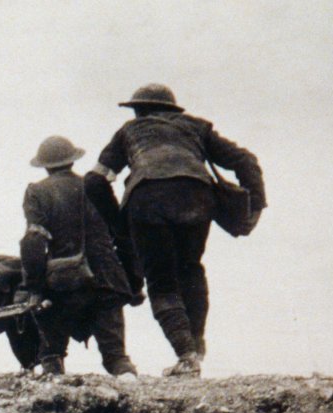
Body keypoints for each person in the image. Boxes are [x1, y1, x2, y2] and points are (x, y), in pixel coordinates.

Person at [86, 83, 266, 377]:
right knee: (191, 269)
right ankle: (195, 346)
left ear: (140, 110)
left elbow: (94, 180)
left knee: (162, 282)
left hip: (147, 202)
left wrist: (119, 226)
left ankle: (186, 356)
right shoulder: (196, 127)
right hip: (197, 198)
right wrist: (255, 205)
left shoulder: (129, 132)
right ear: (172, 109)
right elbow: (246, 161)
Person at [20, 135, 139, 378]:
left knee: (51, 355)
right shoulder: (95, 186)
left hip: (64, 285)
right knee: (116, 356)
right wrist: (132, 282)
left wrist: (35, 288)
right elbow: (124, 235)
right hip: (107, 280)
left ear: (44, 165)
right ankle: (130, 386)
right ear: (73, 160)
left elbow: (33, 241)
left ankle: (54, 392)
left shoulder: (37, 192)